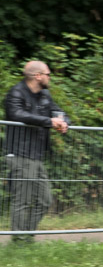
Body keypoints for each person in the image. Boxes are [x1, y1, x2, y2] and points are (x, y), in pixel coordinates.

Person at [4, 61, 69, 244]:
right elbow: (17, 114)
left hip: (37, 154)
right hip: (19, 153)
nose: (50, 78)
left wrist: (63, 122)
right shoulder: (16, 93)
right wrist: (49, 121)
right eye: (48, 74)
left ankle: (27, 235)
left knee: (45, 200)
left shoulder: (44, 95)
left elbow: (58, 111)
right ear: (37, 76)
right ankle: (19, 241)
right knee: (22, 200)